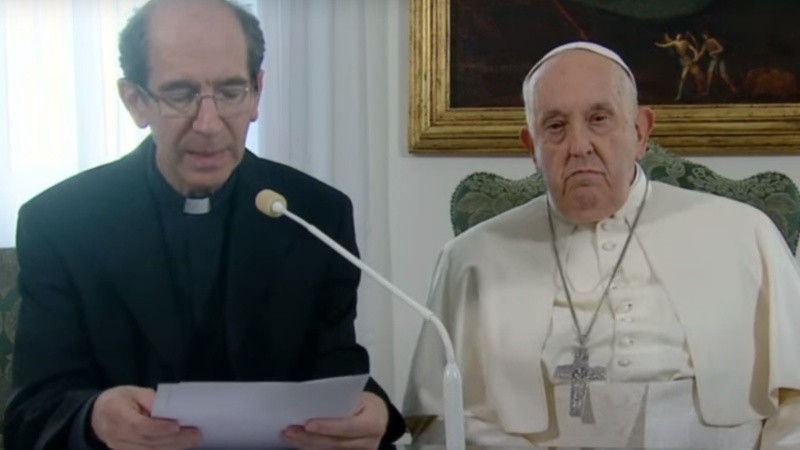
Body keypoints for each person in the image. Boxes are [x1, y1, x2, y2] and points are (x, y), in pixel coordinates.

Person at [4, 0, 405, 449]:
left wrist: (373, 413)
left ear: (257, 93)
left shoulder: (314, 214)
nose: (209, 124)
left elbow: (335, 372)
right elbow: (30, 414)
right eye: (180, 94)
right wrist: (93, 419)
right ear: (135, 100)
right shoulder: (61, 222)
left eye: (231, 92)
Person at [404, 41, 800, 449]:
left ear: (641, 131)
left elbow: (795, 412)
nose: (579, 146)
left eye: (599, 119)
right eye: (555, 126)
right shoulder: (471, 259)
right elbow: (439, 423)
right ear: (531, 148)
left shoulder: (744, 234)